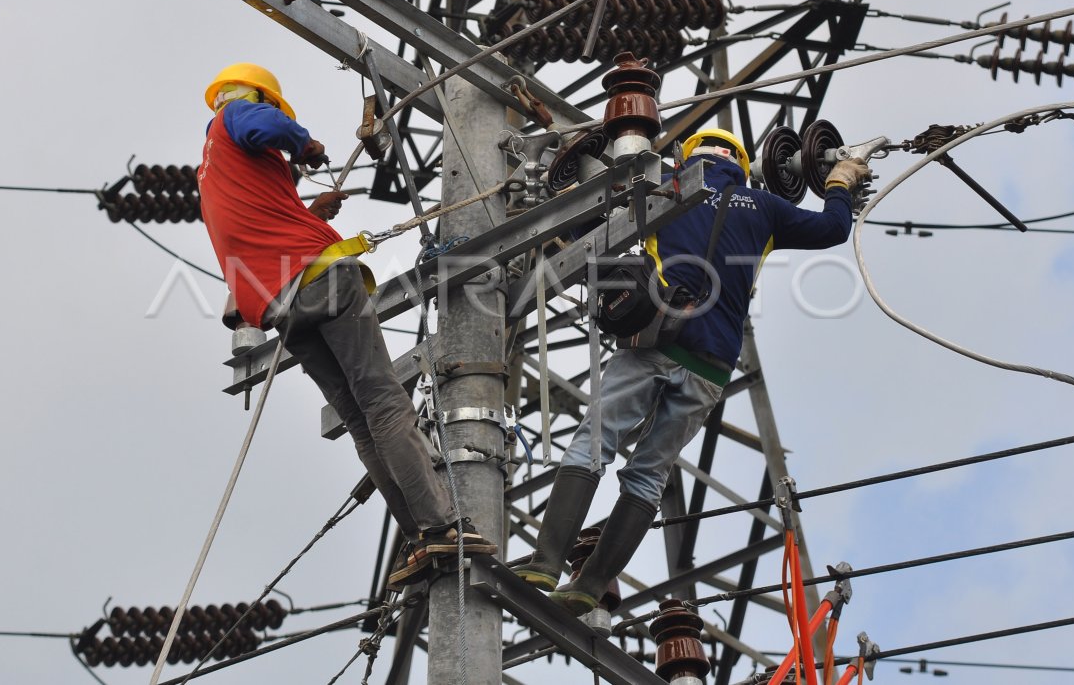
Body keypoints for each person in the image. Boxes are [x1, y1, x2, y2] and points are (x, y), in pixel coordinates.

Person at [514, 128, 870, 615]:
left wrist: (567, 196)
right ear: (743, 164)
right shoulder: (766, 208)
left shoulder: (666, 185)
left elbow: (592, 239)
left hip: (655, 341)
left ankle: (548, 559)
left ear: (690, 154)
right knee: (648, 475)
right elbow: (833, 229)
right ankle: (590, 584)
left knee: (595, 441)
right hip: (713, 365)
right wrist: (840, 182)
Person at [196, 63, 495, 586]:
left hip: (281, 307)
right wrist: (305, 144)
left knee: (361, 419)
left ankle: (421, 536)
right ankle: (441, 524)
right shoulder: (236, 118)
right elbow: (263, 125)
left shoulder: (216, 171)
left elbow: (268, 228)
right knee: (382, 401)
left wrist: (314, 211)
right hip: (322, 283)